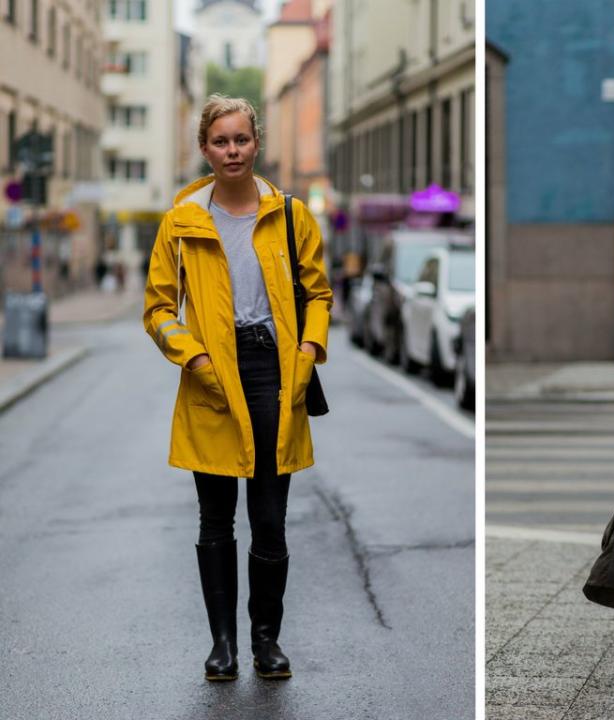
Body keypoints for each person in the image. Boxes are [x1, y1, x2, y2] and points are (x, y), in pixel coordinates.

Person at [143, 95, 332, 682]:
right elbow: (157, 308)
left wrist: (305, 352)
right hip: (211, 379)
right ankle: (222, 644)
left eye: (242, 140)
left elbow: (318, 293)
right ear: (205, 148)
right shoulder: (181, 219)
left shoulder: (290, 213)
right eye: (221, 141)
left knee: (270, 520)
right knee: (215, 517)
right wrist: (193, 356)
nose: (232, 150)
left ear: (257, 143)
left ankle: (265, 640)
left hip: (276, 374)